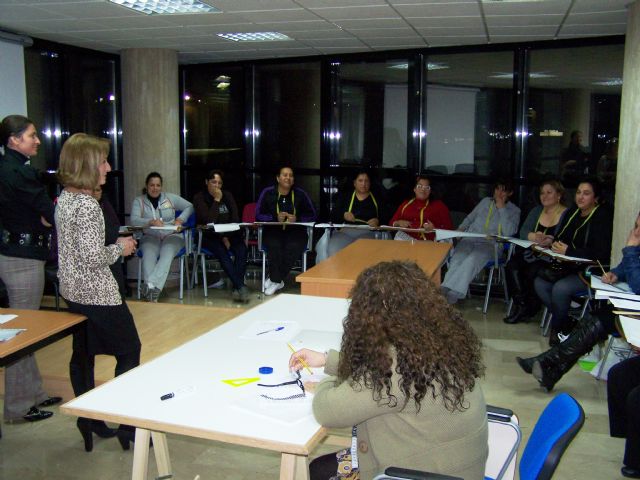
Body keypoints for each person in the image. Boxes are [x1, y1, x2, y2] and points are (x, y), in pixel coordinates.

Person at [289, 261, 487, 480]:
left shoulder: (395, 366)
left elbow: (327, 410)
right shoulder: (437, 341)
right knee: (321, 467)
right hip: (451, 467)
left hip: (417, 473)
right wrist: (328, 360)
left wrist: (328, 383)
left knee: (318, 472)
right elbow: (374, 373)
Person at [56, 133, 140, 452]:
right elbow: (93, 257)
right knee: (130, 351)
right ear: (88, 165)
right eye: (103, 161)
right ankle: (128, 426)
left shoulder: (65, 198)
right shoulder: (89, 205)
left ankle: (88, 419)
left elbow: (72, 252)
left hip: (72, 291)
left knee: (83, 354)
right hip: (98, 294)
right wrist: (120, 247)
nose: (107, 167)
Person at [517, 211, 640, 391]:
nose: (636, 232)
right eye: (636, 226)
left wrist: (630, 250)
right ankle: (550, 369)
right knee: (596, 319)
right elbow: (623, 268)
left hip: (635, 315)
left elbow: (638, 285)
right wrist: (615, 274)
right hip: (632, 308)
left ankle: (547, 364)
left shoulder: (634, 246)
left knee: (598, 320)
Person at [0, 114, 60, 423]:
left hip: (17, 253)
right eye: (31, 135)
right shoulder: (16, 173)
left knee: (28, 330)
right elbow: (50, 211)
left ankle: (34, 393)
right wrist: (46, 217)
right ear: (13, 140)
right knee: (22, 335)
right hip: (22, 259)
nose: (37, 140)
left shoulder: (12, 168)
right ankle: (18, 407)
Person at [533, 177, 612, 343]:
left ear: (595, 198)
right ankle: (567, 320)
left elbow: (600, 252)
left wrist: (570, 251)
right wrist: (553, 243)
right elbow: (561, 237)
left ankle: (558, 329)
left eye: (586, 194)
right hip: (567, 266)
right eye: (578, 193)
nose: (580, 197)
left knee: (560, 289)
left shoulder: (602, 217)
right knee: (540, 283)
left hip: (589, 270)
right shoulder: (572, 213)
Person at [440, 180, 521, 305]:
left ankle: (450, 295)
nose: (499, 193)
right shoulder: (485, 202)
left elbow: (509, 232)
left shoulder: (514, 211)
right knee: (458, 258)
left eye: (503, 190)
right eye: (497, 189)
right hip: (470, 238)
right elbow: (470, 218)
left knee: (471, 260)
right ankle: (446, 290)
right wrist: (460, 231)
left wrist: (502, 209)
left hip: (491, 245)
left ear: (510, 193)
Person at [504, 180, 568, 324]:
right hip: (532, 253)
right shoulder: (536, 211)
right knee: (512, 265)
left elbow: (565, 237)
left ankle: (531, 307)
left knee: (532, 270)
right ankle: (521, 305)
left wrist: (551, 240)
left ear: (559, 195)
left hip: (551, 258)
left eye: (549, 192)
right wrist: (534, 236)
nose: (544, 196)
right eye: (542, 193)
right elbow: (523, 232)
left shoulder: (566, 213)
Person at [130, 172, 194, 301]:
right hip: (150, 236)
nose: (155, 188)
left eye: (158, 185)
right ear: (147, 186)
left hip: (172, 235)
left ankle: (149, 289)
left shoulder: (170, 198)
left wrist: (180, 219)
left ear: (161, 186)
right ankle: (153, 295)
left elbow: (190, 206)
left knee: (167, 253)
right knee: (148, 255)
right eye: (152, 185)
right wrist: (150, 222)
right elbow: (134, 220)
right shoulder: (139, 201)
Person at [255, 166, 316, 296]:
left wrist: (297, 218)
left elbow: (313, 214)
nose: (288, 178)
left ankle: (275, 279)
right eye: (284, 175)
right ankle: (277, 280)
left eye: (291, 175)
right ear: (278, 178)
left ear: (293, 180)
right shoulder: (267, 192)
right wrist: (274, 217)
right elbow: (258, 214)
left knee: (293, 246)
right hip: (273, 230)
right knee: (274, 245)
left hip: (296, 231)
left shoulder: (300, 194)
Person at [192, 169, 249, 302]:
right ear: (206, 182)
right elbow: (208, 221)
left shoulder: (228, 195)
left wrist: (226, 237)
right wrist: (217, 200)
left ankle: (237, 286)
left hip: (229, 234)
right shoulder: (199, 197)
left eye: (219, 183)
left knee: (242, 249)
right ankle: (240, 285)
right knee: (221, 251)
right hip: (208, 235)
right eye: (213, 182)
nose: (217, 186)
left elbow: (235, 218)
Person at [321, 171, 381, 261]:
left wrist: (377, 221)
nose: (363, 184)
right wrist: (343, 215)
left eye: (366, 181)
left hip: (368, 232)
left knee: (362, 252)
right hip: (345, 232)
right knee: (333, 249)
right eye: (360, 180)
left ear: (370, 183)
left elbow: (387, 217)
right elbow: (333, 216)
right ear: (354, 183)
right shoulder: (345, 197)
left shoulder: (378, 198)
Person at [389, 175, 453, 241]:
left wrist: (434, 229)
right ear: (414, 189)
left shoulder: (439, 205)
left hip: (431, 243)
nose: (423, 190)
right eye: (419, 186)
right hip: (407, 241)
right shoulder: (405, 204)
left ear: (430, 191)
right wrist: (398, 223)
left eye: (427, 187)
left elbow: (449, 230)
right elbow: (391, 223)